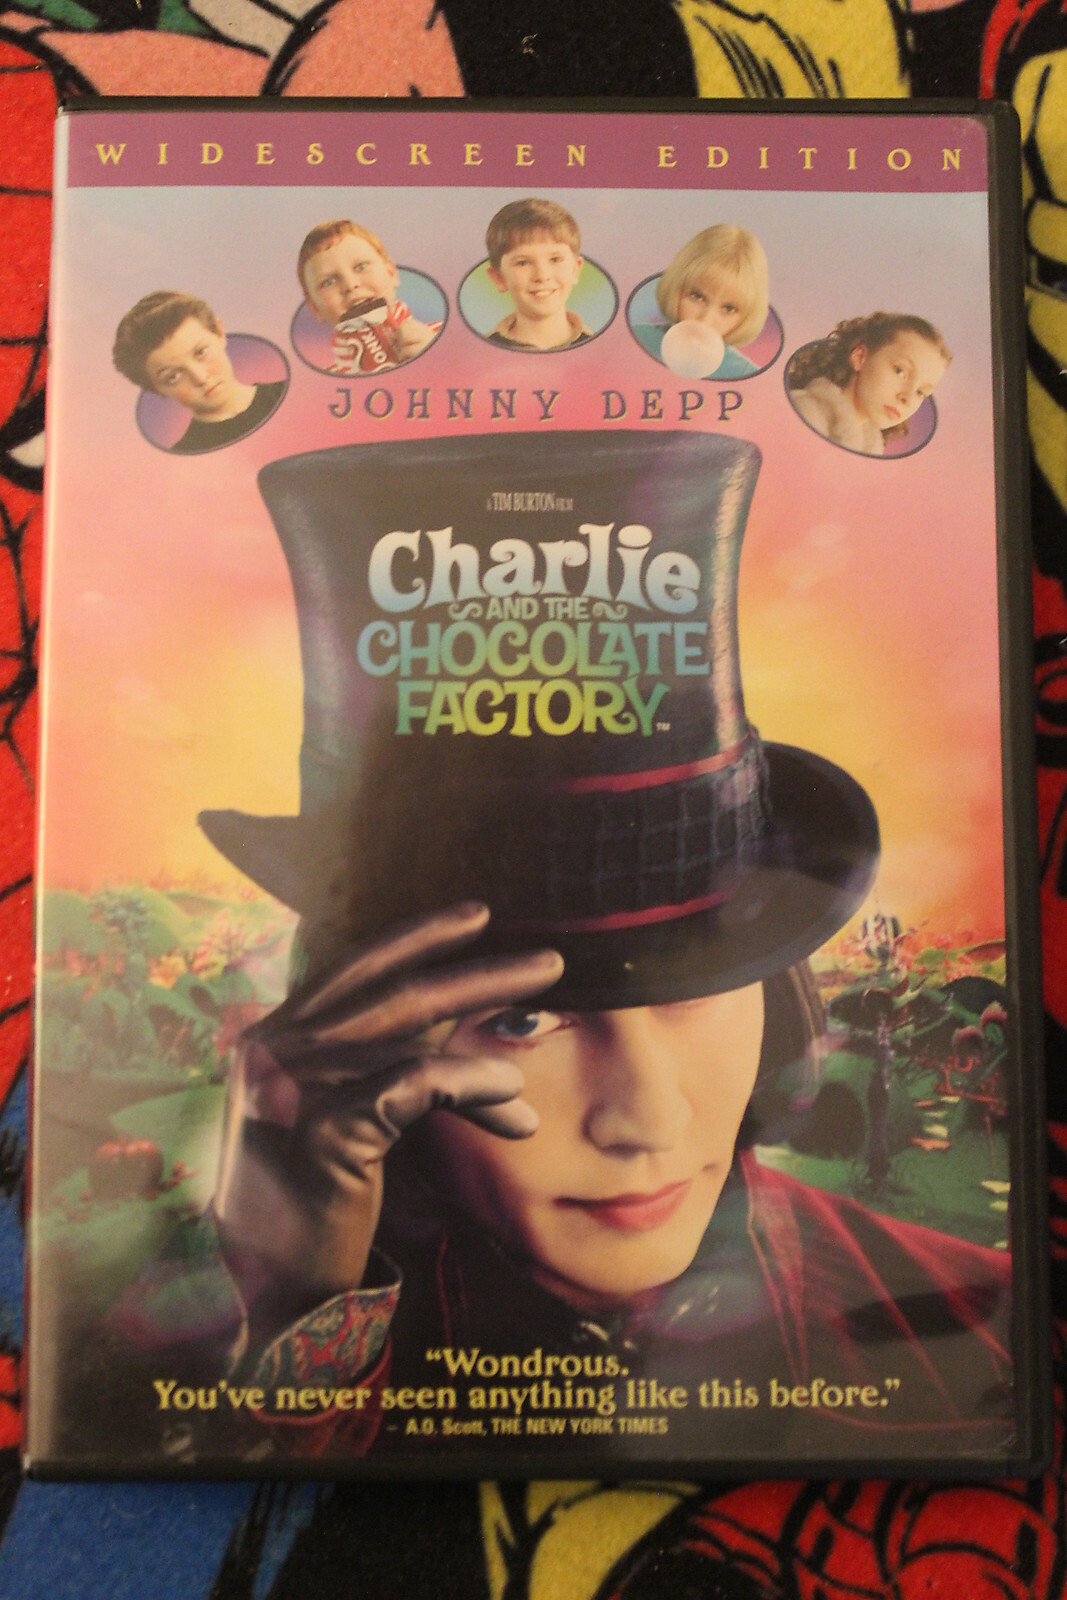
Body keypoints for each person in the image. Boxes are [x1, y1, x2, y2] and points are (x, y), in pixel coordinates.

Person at [39, 431, 1012, 1472]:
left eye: (694, 988)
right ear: (355, 1025)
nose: (648, 1120)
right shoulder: (105, 1354)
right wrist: (294, 1303)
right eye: (522, 1018)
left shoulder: (974, 1337)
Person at [112, 290, 285, 454]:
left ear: (219, 333)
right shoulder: (185, 457)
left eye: (200, 352)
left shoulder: (284, 393)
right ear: (156, 389)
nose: (200, 378)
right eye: (173, 376)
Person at [787, 312, 951, 457]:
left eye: (920, 392)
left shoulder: (870, 447)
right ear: (860, 357)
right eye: (900, 371)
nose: (907, 398)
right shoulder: (805, 413)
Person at [298, 219, 442, 375]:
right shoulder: (321, 383)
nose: (350, 285)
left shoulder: (444, 339)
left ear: (391, 273)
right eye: (328, 282)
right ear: (314, 308)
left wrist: (438, 359)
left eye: (361, 267)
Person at [631, 223, 769, 379]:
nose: (705, 320)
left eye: (729, 309)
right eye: (697, 297)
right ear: (677, 288)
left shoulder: (747, 376)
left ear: (745, 316)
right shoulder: (635, 340)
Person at [484, 198, 593, 351]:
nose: (542, 276)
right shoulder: (480, 351)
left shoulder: (603, 349)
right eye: (523, 263)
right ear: (498, 278)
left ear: (575, 269)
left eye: (555, 259)